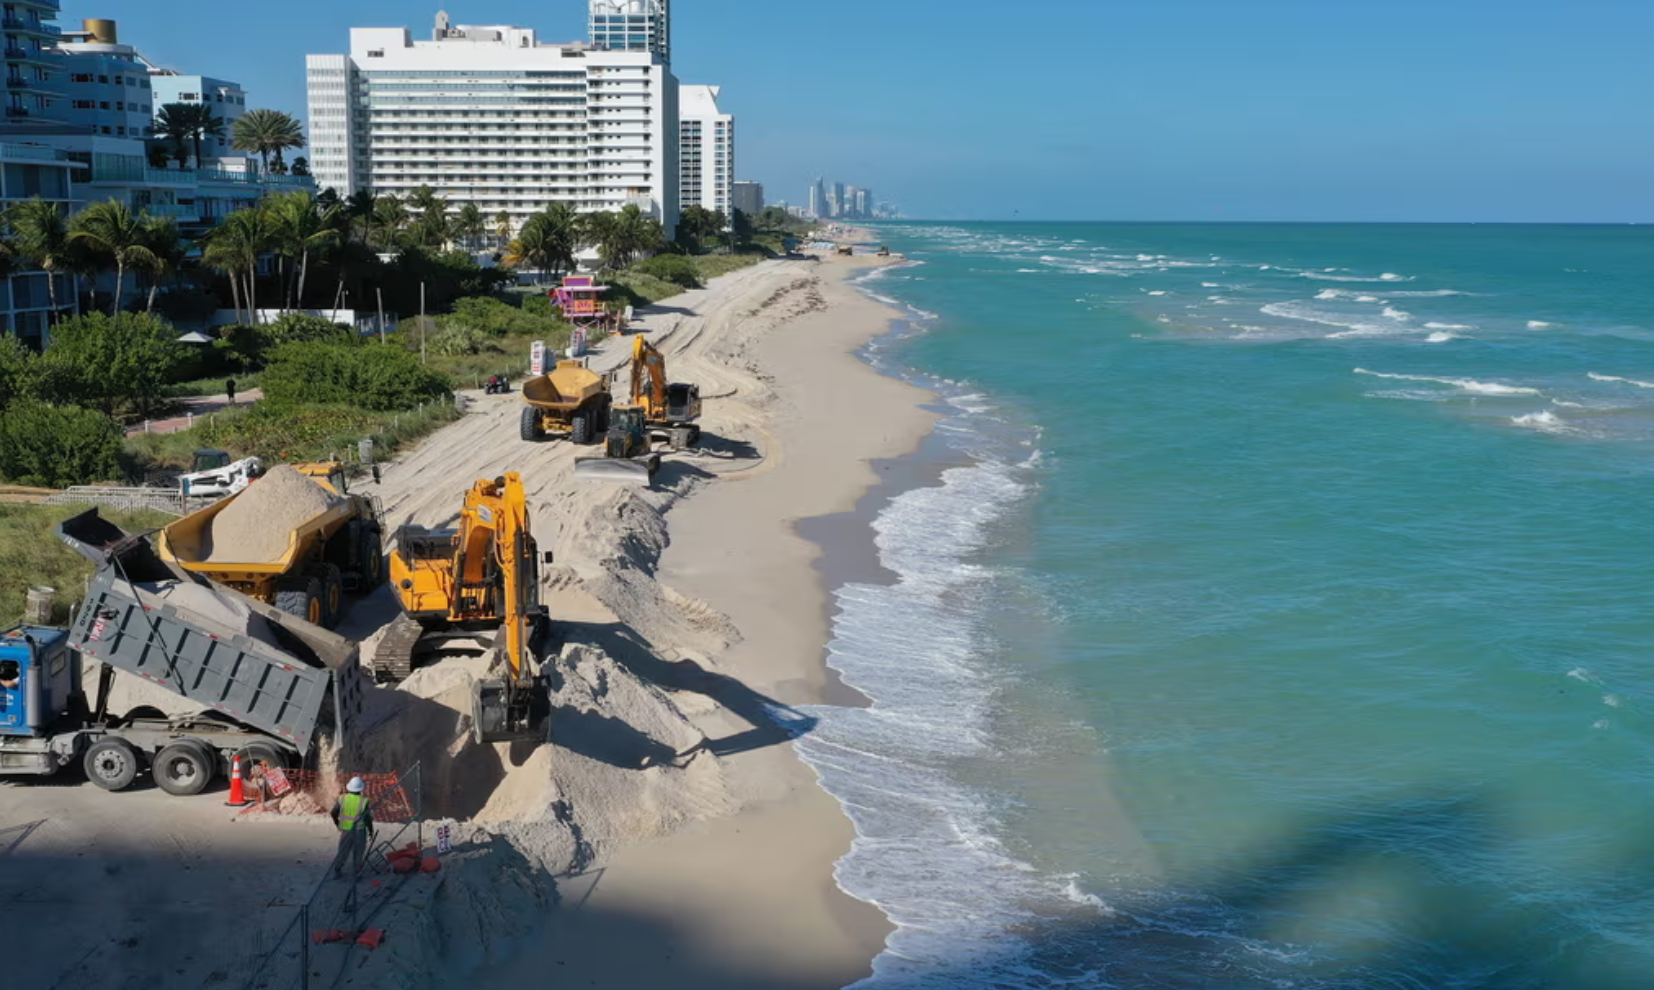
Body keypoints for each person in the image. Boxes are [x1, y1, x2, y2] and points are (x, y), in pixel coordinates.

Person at [330, 776, 373, 879]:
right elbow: (368, 819)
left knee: (343, 851)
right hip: (359, 831)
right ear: (360, 789)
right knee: (358, 853)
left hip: (346, 830)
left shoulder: (342, 798)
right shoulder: (364, 801)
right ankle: (356, 873)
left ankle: (337, 870)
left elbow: (333, 812)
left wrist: (337, 823)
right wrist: (371, 830)